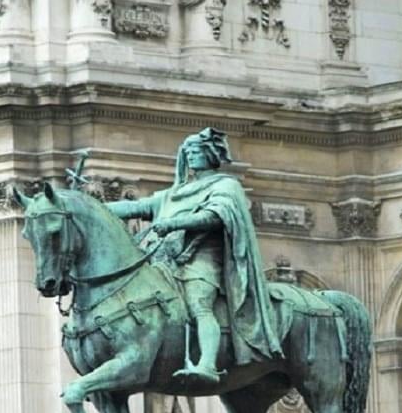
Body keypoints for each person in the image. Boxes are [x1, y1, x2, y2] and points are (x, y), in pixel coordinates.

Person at [107, 128, 282, 384]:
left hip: (202, 261)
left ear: (210, 154)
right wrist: (91, 206)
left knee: (199, 304)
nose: (191, 156)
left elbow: (213, 217)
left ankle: (208, 364)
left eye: (196, 151)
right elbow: (136, 207)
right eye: (187, 152)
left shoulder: (225, 186)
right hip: (165, 262)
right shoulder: (175, 193)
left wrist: (173, 224)